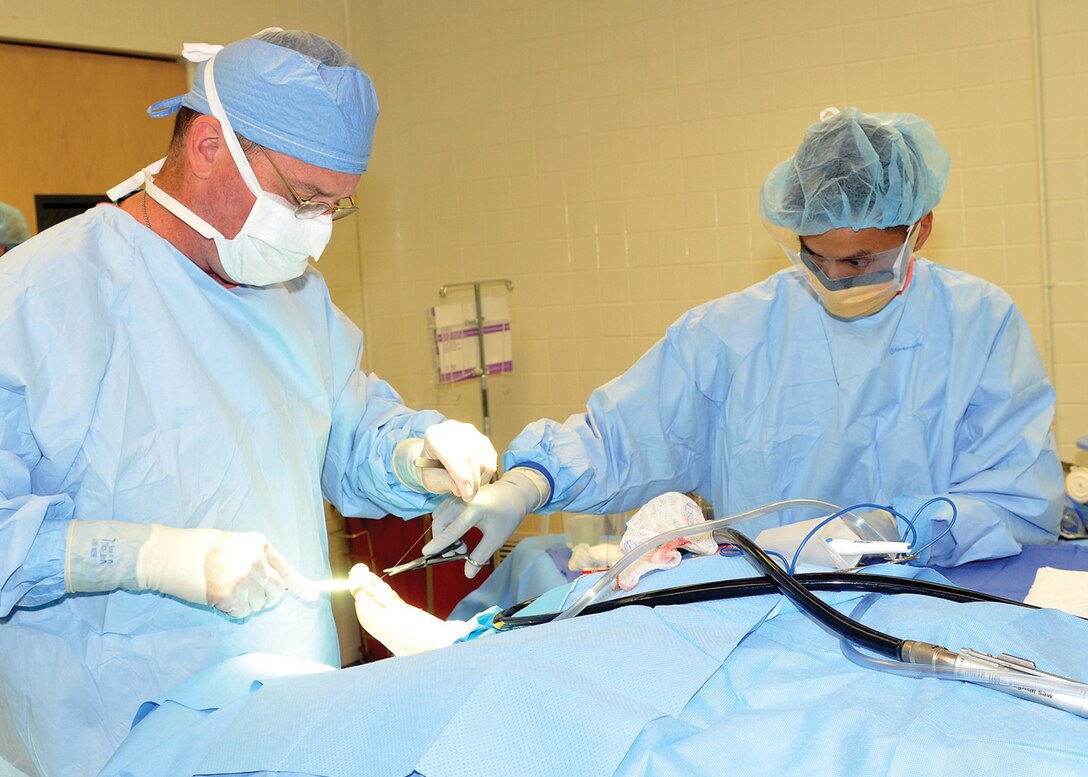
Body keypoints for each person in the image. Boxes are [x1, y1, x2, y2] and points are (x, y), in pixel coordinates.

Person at [0, 28, 496, 777]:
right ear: (207, 146)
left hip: (289, 725)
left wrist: (414, 452)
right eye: (302, 199)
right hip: (114, 739)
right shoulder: (40, 299)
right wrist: (152, 555)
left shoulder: (296, 296)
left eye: (337, 208)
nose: (316, 234)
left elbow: (347, 430)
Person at [424, 106, 1063, 577]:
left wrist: (895, 530)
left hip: (929, 596)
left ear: (920, 229)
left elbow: (1018, 501)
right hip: (766, 602)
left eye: (864, 260)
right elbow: (624, 439)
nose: (838, 279)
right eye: (817, 258)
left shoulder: (979, 323)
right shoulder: (731, 333)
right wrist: (528, 484)